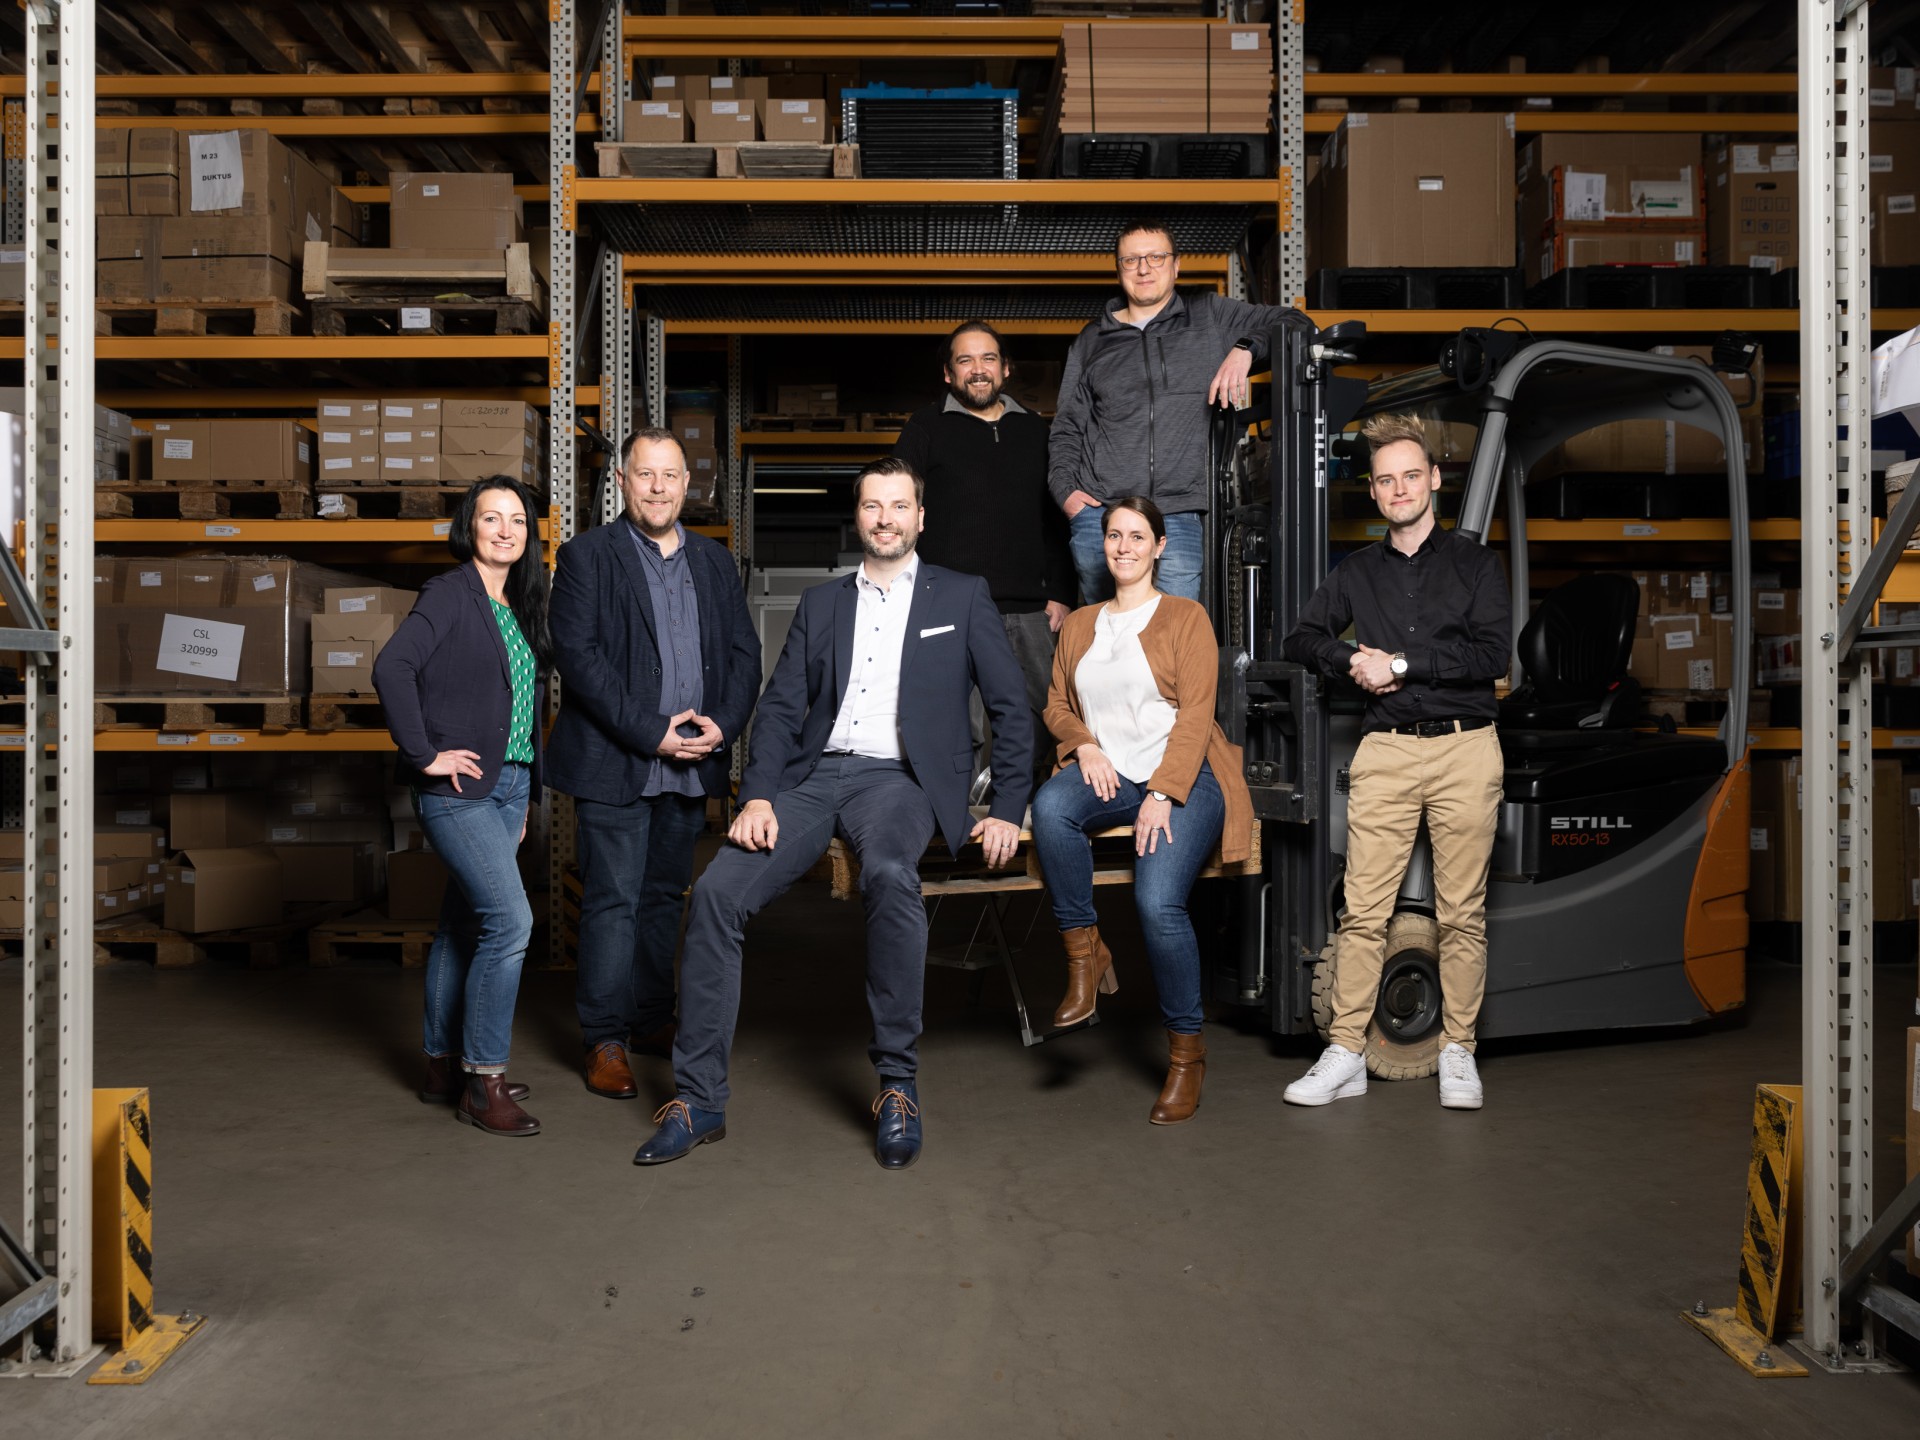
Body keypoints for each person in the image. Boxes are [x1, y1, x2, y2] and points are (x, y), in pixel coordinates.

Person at [633, 457, 1033, 1171]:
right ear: (859, 517)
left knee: (888, 874)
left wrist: (1006, 806)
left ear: (920, 516)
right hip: (814, 779)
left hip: (899, 781)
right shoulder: (822, 605)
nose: (885, 518)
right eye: (873, 506)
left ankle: (897, 1086)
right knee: (719, 895)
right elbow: (782, 710)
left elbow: (1010, 706)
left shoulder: (962, 597)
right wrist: (758, 795)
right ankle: (699, 1100)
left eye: (899, 505)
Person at [1278, 413, 1511, 1112]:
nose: (1400, 488)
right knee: (1362, 913)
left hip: (1466, 748)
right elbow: (1299, 636)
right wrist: (1350, 659)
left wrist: (1403, 663)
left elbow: (1491, 657)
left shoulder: (1475, 564)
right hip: (1386, 753)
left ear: (1435, 481)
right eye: (1386, 480)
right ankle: (1346, 1050)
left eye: (1412, 475)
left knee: (1462, 912)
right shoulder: (1355, 574)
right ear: (1374, 495)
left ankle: (1459, 1050)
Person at [546, 427, 761, 1102]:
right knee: (612, 899)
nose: (660, 487)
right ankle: (604, 1038)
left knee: (666, 896)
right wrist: (651, 733)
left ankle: (648, 1018)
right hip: (619, 761)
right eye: (646, 475)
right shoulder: (586, 557)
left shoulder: (713, 561)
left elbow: (742, 654)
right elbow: (579, 660)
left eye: (671, 475)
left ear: (687, 484)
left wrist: (721, 723)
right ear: (621, 481)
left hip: (692, 762)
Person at [1031, 496, 1253, 1124]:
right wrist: (1084, 745)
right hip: (1113, 772)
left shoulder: (1185, 617)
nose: (1123, 547)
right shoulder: (1080, 624)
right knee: (1052, 808)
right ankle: (1086, 955)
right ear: (1102, 546)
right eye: (1113, 536)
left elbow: (1196, 714)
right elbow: (1055, 704)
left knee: (1157, 904)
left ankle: (1186, 1056)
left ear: (1160, 547)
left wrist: (1163, 793)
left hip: (1185, 775)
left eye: (1137, 537)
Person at [373, 475, 552, 1138]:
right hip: (457, 793)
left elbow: (521, 708)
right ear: (468, 528)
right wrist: (425, 755)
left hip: (506, 789)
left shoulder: (517, 604)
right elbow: (393, 668)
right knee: (510, 924)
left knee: (462, 927)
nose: (506, 530)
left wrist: (526, 790)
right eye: (491, 519)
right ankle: (485, 1080)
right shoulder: (450, 594)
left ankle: (442, 1066)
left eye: (517, 521)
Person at [1048, 219, 1302, 606]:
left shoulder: (1210, 316)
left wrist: (1246, 348)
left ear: (1176, 265)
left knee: (1173, 635)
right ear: (1119, 270)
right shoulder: (1091, 341)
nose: (1144, 268)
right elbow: (1067, 425)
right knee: (1105, 636)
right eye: (1131, 260)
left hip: (1179, 512)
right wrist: (1068, 496)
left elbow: (1296, 323)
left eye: (1155, 257)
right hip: (1105, 514)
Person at [893, 320, 1075, 792]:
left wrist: (1059, 592)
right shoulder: (925, 427)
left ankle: (1041, 813)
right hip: (949, 605)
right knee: (957, 722)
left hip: (1030, 610)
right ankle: (963, 824)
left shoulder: (1035, 431)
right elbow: (900, 506)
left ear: (1006, 369)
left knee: (1046, 716)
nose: (978, 370)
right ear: (949, 375)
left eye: (988, 359)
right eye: (965, 361)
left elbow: (1055, 520)